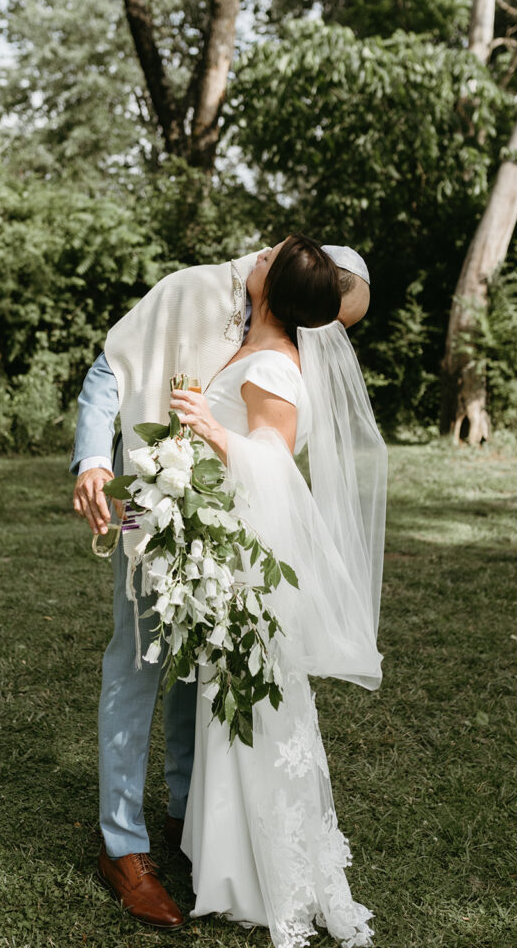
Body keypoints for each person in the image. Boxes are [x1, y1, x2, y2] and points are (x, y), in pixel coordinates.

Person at [71, 240, 375, 929]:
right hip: (147, 506)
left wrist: (210, 436)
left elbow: (270, 448)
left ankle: (188, 814)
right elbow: (109, 370)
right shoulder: (194, 290)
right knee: (136, 659)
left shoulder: (275, 348)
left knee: (198, 670)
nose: (261, 248)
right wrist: (95, 462)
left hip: (219, 528)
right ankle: (123, 847)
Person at [166, 235, 384, 946]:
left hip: (249, 565)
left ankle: (259, 873)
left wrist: (208, 430)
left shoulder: (272, 366)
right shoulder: (258, 349)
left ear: (272, 289)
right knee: (237, 707)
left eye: (266, 257)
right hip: (230, 551)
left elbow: (274, 463)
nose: (254, 256)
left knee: (251, 708)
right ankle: (227, 857)